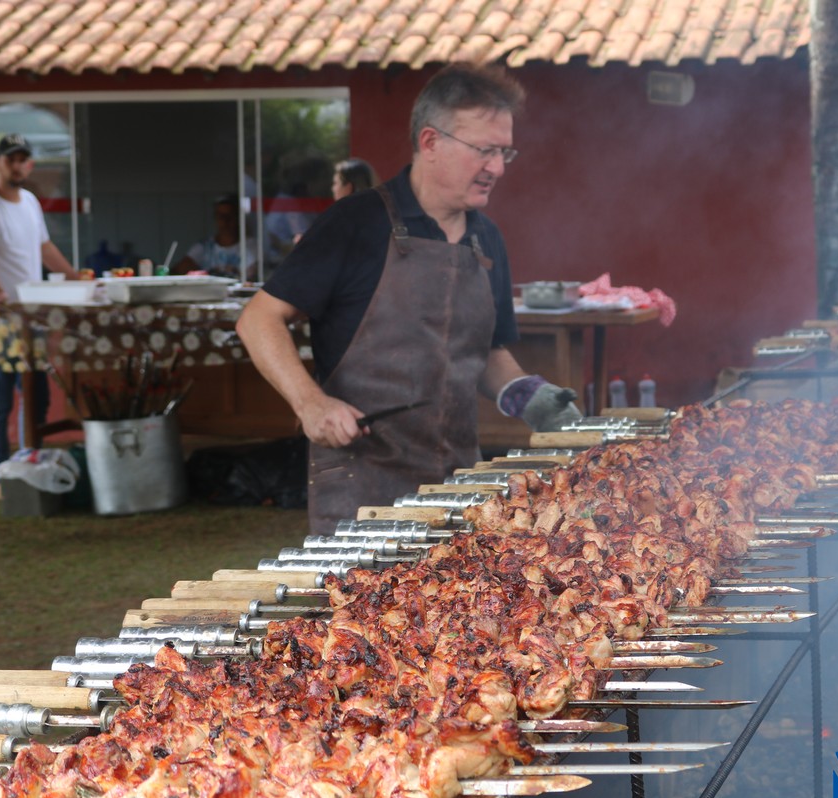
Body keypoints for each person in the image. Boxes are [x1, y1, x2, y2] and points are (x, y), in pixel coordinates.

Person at [236, 63, 580, 534]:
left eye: (505, 152)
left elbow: (486, 353)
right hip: (361, 489)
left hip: (460, 488)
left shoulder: (486, 240)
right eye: (484, 150)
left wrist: (533, 398)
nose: (497, 168)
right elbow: (258, 320)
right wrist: (311, 404)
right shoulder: (354, 223)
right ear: (431, 142)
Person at [0, 133, 79, 497]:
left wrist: (76, 278)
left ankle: (30, 463)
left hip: (30, 319)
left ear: (30, 164)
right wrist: (0, 296)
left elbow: (44, 247)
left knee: (35, 393)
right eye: (10, 158)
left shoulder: (29, 201)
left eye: (23, 159)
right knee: (0, 399)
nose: (17, 165)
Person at [172, 194, 260, 279]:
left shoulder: (250, 245)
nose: (225, 221)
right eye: (221, 216)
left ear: (238, 218)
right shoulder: (205, 246)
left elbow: (253, 275)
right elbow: (180, 270)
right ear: (215, 218)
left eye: (230, 215)